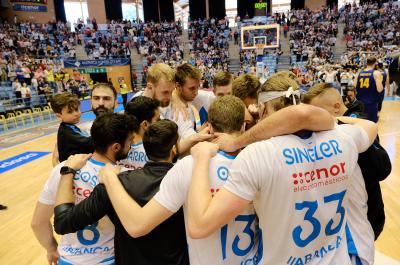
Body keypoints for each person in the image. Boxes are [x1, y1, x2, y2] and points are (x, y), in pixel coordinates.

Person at [187, 73, 378, 265]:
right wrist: (332, 122)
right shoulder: (343, 138)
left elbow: (199, 226)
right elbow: (369, 125)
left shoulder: (258, 154)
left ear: (263, 111)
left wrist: (202, 158)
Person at [53, 120, 189, 265]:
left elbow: (63, 222)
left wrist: (68, 172)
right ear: (174, 149)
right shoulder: (189, 181)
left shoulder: (116, 183)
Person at [302, 83, 392, 264]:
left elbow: (383, 168)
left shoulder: (357, 126)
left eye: (317, 112)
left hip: (366, 217)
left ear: (336, 107)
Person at [32, 113, 137, 265]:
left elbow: (38, 223)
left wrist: (52, 249)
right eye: (130, 141)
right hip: (108, 259)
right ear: (115, 147)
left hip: (69, 260)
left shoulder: (63, 169)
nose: (131, 145)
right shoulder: (124, 176)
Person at [118, 96, 160, 170]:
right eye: (158, 119)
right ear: (145, 124)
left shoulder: (113, 146)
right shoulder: (157, 151)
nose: (161, 123)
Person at [50, 93, 93, 163]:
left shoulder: (69, 126)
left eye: (76, 109)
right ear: (59, 115)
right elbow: (87, 143)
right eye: (70, 112)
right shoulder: (66, 131)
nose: (76, 114)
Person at [354, 57, 384, 122]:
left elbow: (354, 88)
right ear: (375, 63)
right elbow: (380, 89)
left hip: (360, 102)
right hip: (371, 103)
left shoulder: (358, 73)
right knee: (371, 123)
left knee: (361, 123)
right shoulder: (376, 73)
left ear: (367, 63)